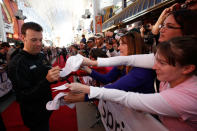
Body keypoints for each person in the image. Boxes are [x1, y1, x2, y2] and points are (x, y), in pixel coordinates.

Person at [67, 36, 197, 131]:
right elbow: (129, 60)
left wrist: (84, 92)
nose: (153, 66)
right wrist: (91, 65)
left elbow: (127, 98)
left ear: (187, 68)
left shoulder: (189, 97)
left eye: (161, 63)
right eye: (155, 61)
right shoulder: (171, 71)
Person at [7, 22, 60, 131]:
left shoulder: (41, 55)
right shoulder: (17, 64)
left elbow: (47, 73)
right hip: (34, 115)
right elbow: (23, 96)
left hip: (47, 107)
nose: (38, 44)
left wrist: (57, 75)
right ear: (23, 38)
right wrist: (47, 81)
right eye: (34, 40)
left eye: (40, 40)